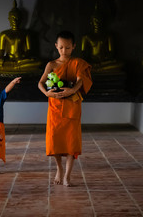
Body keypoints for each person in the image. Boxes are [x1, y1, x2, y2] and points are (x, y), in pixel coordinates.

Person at [38, 31, 92, 186]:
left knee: (71, 141)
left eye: (68, 48)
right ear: (56, 46)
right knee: (55, 140)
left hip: (72, 105)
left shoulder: (78, 63)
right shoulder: (52, 65)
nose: (64, 51)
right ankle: (59, 169)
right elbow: (40, 83)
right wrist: (47, 93)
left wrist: (72, 90)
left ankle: (67, 175)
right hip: (55, 106)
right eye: (61, 47)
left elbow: (81, 80)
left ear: (73, 46)